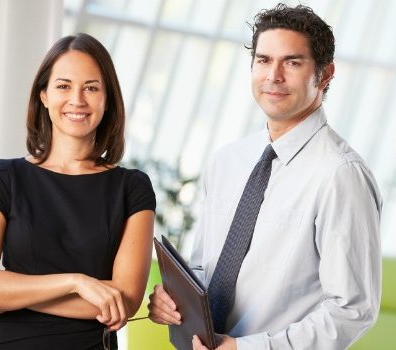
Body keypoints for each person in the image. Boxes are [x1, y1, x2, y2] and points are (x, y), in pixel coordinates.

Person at [148, 3, 382, 350]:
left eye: (292, 62)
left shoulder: (340, 175)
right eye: (263, 60)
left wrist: (247, 349)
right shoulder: (227, 161)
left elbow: (351, 310)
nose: (274, 75)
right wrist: (171, 300)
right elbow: (202, 268)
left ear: (326, 74)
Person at [0, 33, 156, 349]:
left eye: (91, 88)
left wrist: (7, 296)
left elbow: (122, 301)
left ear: (107, 99)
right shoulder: (4, 178)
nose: (77, 99)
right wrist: (76, 283)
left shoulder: (132, 188)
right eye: (63, 86)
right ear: (44, 95)